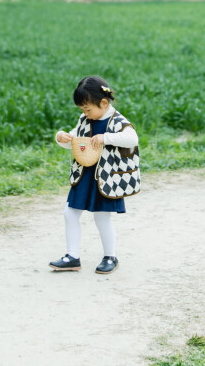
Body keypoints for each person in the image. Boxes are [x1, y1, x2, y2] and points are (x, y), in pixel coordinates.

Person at [49, 76, 138, 274]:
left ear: (104, 103)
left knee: (101, 218)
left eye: (88, 109)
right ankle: (72, 256)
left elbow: (132, 138)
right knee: (69, 212)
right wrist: (61, 137)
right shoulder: (85, 120)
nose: (85, 114)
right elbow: (74, 139)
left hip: (106, 178)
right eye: (82, 110)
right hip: (85, 174)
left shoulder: (117, 121)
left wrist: (105, 138)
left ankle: (110, 256)